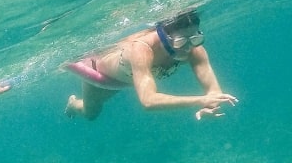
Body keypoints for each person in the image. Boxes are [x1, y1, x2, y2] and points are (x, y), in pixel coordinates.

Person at [64, 8, 237, 121]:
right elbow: (148, 101)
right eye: (180, 42)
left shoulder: (194, 50)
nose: (188, 47)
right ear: (164, 37)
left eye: (195, 38)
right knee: (91, 113)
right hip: (101, 75)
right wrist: (201, 100)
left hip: (130, 79)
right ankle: (73, 104)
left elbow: (214, 92)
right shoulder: (142, 49)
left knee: (94, 111)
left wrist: (210, 106)